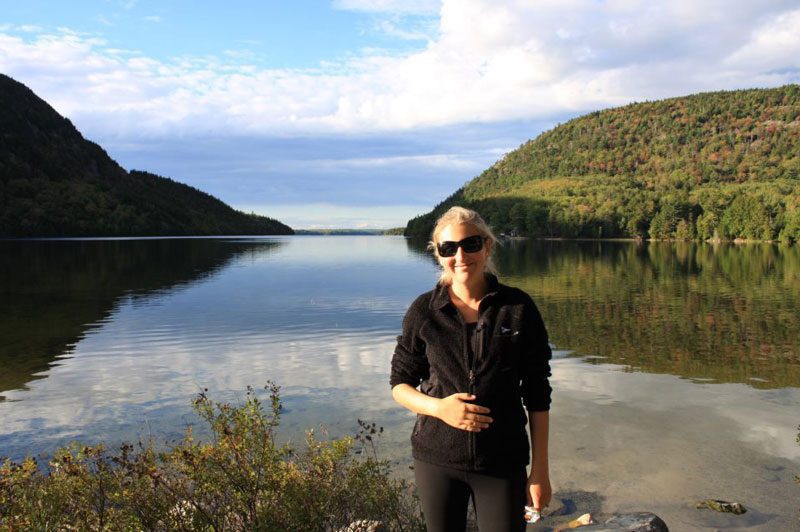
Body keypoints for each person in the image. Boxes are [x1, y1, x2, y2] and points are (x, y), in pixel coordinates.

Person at [390, 206, 552, 532]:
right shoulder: (424, 311)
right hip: (436, 460)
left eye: (471, 244)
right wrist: (440, 408)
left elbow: (537, 392)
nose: (460, 256)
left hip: (502, 461)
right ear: (438, 254)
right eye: (448, 248)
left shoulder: (517, 308)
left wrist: (540, 470)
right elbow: (399, 384)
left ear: (487, 246)